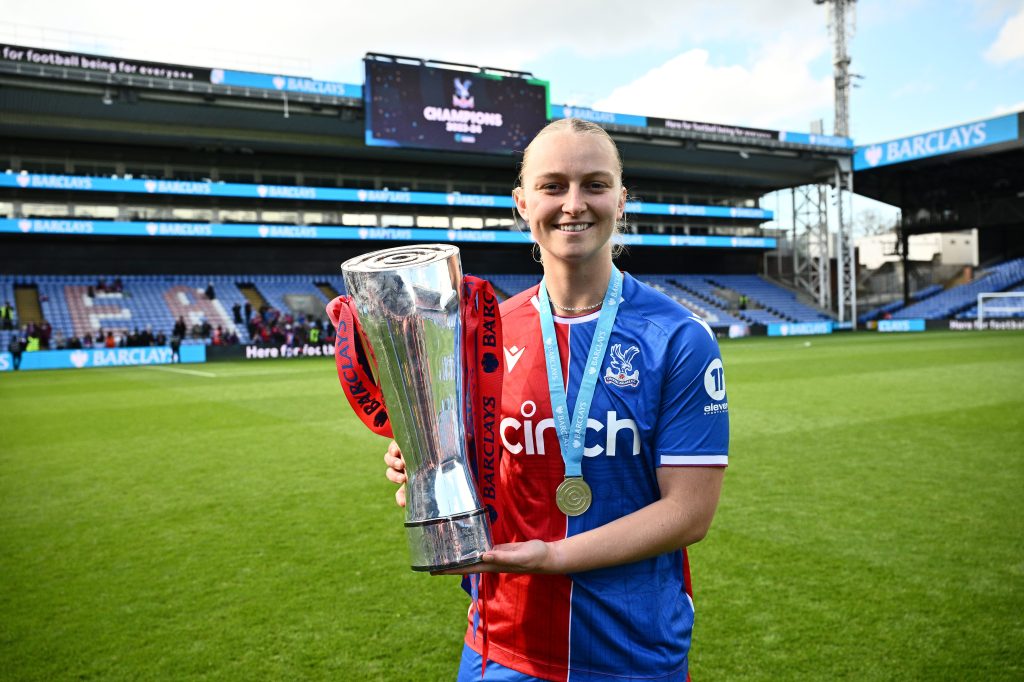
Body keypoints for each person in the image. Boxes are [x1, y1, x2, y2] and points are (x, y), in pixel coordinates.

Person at [384, 118, 729, 681]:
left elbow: (688, 513)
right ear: (522, 202)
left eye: (594, 184)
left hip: (633, 653)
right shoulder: (484, 335)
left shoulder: (680, 338)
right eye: (552, 186)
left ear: (622, 198)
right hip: (502, 644)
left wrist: (554, 558)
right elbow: (472, 468)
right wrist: (425, 466)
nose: (574, 203)